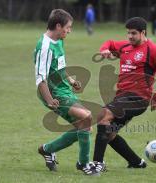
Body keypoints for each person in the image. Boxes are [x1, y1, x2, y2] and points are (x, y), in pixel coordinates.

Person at [92, 17, 156, 173]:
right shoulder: (126, 46)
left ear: (143, 33)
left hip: (138, 98)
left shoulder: (153, 50)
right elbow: (109, 42)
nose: (129, 36)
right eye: (128, 33)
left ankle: (97, 164)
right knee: (108, 133)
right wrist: (105, 50)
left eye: (133, 33)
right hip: (122, 97)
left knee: (104, 115)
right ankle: (136, 162)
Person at [33, 9, 98, 176]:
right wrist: (49, 100)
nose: (69, 31)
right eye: (68, 27)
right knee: (87, 117)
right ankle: (84, 164)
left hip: (64, 90)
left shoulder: (59, 40)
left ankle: (47, 150)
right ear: (58, 25)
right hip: (54, 93)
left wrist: (71, 81)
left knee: (85, 128)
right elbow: (41, 78)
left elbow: (58, 67)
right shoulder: (45, 47)